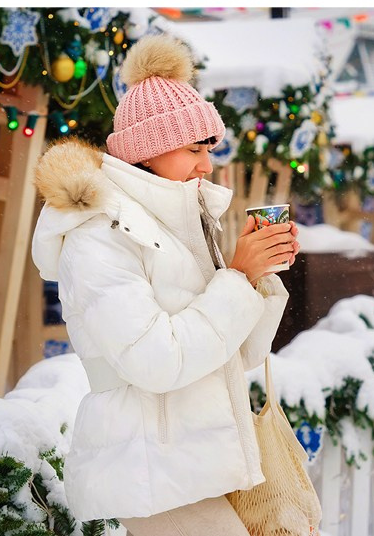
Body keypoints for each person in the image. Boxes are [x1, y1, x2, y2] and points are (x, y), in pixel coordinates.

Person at [30, 33, 302, 532]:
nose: (207, 164)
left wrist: (256, 279)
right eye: (194, 149)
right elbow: (157, 362)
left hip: (196, 464)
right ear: (147, 152)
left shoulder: (181, 226)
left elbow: (231, 357)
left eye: (210, 148)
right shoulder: (99, 235)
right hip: (150, 471)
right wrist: (237, 279)